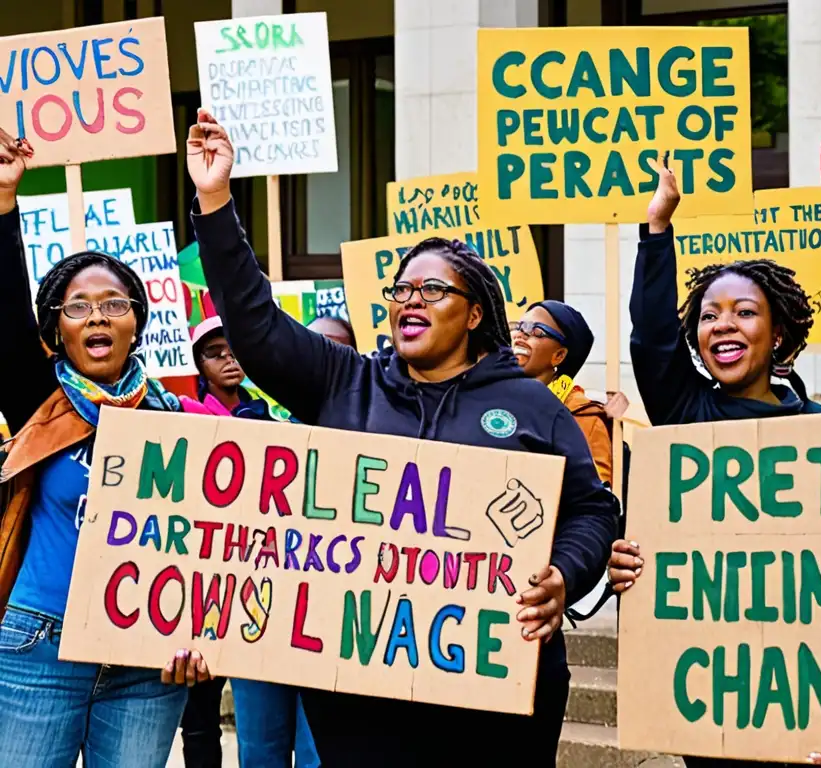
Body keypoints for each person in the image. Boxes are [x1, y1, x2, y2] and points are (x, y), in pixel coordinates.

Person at [187, 109, 618, 766]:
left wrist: (563, 574)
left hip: (500, 690)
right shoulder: (344, 384)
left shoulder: (532, 406)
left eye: (433, 289)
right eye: (401, 288)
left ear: (475, 314)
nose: (409, 300)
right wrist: (216, 201)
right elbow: (256, 325)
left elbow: (591, 511)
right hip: (363, 697)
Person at [610, 156, 821, 768]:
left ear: (779, 333)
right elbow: (652, 338)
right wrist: (657, 228)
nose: (723, 325)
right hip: (719, 696)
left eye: (744, 312)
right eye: (709, 315)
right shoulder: (686, 409)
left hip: (811, 686)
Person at [0, 130, 209, 767]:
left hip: (149, 661)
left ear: (137, 323)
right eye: (78, 307)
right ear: (55, 329)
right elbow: (2, 309)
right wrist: (5, 200)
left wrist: (207, 631)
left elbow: (217, 542)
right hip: (39, 649)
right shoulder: (40, 401)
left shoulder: (180, 422)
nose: (97, 316)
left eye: (114, 304)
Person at [177, 315, 317, 767]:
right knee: (201, 712)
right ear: (199, 363)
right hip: (211, 579)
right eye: (215, 353)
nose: (228, 360)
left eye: (233, 350)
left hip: (267, 575)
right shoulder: (186, 413)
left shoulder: (267, 410)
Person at [512, 300, 613, 484]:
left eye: (536, 332)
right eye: (519, 327)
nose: (521, 335)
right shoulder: (495, 398)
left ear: (559, 356)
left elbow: (596, 499)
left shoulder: (584, 417)